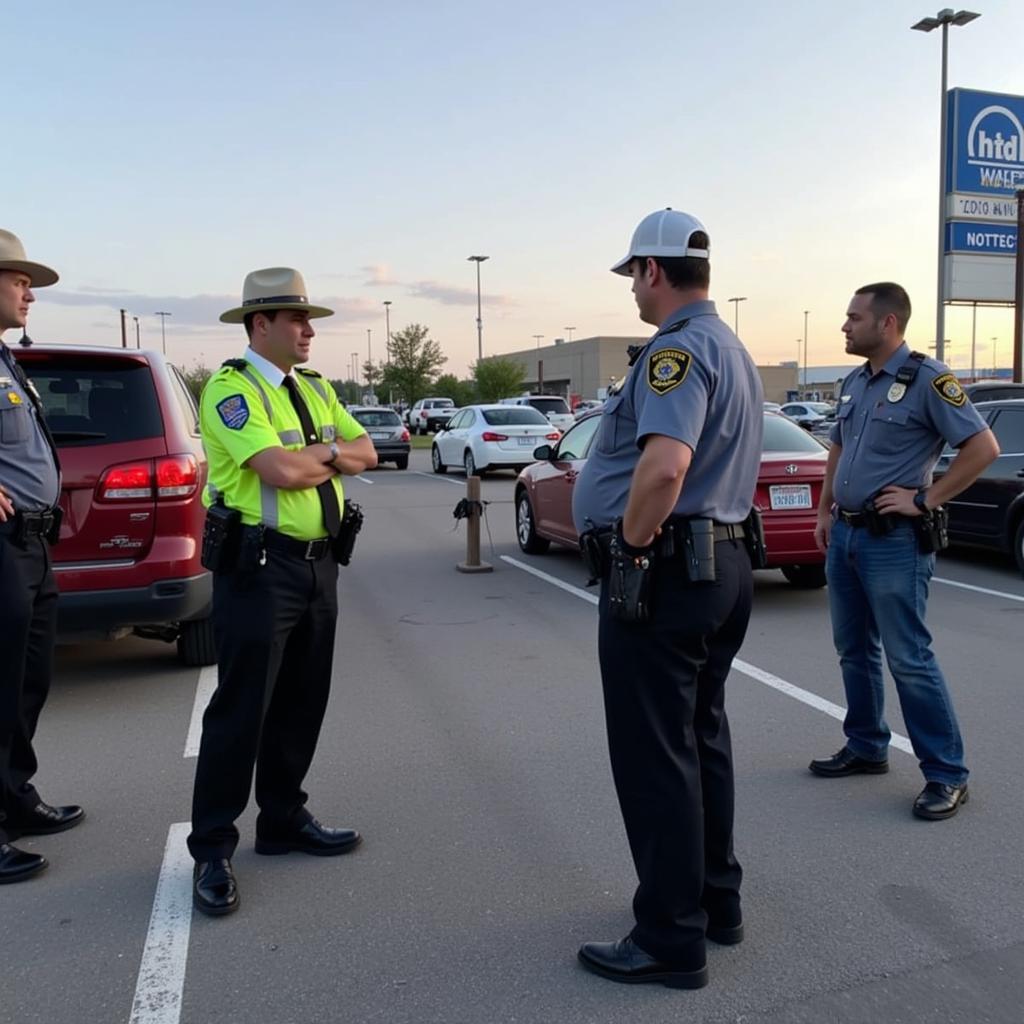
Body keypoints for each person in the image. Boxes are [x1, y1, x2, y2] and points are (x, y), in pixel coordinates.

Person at [572, 209, 764, 989]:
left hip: (671, 575)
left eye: (632, 278)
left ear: (654, 271)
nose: (632, 294)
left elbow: (662, 469)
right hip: (720, 568)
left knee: (656, 759)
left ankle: (669, 938)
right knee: (698, 741)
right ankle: (715, 903)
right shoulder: (734, 348)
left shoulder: (677, 353)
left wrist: (632, 548)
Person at [188, 267, 377, 916]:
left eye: (311, 318)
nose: (308, 330)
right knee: (242, 710)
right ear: (258, 325)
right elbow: (277, 468)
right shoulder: (231, 390)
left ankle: (283, 819)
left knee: (302, 700)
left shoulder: (316, 387)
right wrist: (330, 453)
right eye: (296, 319)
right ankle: (212, 848)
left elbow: (370, 451)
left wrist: (321, 455)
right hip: (259, 570)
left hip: (318, 565)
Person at [810, 282, 998, 820]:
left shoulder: (927, 379)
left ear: (887, 323)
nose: (844, 326)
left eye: (853, 317)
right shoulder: (854, 381)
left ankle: (946, 774)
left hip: (892, 541)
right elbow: (838, 449)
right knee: (854, 649)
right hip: (845, 534)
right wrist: (824, 511)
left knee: (909, 659)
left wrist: (926, 498)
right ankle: (867, 745)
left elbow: (981, 447)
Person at [0, 229, 84, 885]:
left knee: (28, 680)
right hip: (3, 548)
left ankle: (15, 800)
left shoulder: (5, 362)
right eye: (19, 279)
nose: (29, 292)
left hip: (32, 544)